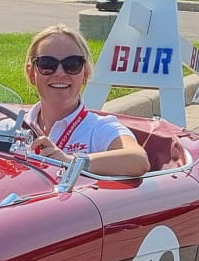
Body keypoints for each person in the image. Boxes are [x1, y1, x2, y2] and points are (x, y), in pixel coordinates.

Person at [21, 25, 150, 177]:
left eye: (72, 65)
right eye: (47, 64)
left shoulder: (99, 128)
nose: (60, 73)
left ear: (85, 74)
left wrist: (70, 161)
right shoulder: (11, 127)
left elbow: (138, 160)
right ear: (31, 73)